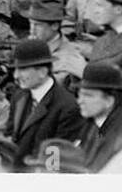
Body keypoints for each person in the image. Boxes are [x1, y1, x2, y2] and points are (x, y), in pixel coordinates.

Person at [5, 38, 84, 168]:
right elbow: (9, 135)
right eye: (15, 70)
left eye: (22, 70)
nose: (16, 76)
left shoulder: (68, 107)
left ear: (42, 72)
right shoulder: (18, 96)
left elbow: (54, 162)